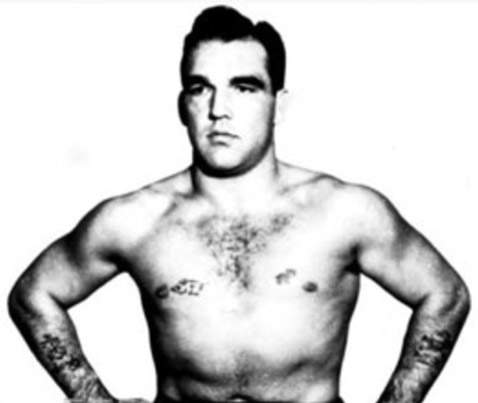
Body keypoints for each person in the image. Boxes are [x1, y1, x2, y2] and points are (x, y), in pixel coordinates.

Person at [8, 5, 470, 403]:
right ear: (182, 106)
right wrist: (90, 396)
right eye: (200, 88)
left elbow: (445, 295)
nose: (218, 109)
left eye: (244, 87)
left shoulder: (344, 212)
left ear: (278, 105)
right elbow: (33, 296)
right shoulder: (136, 219)